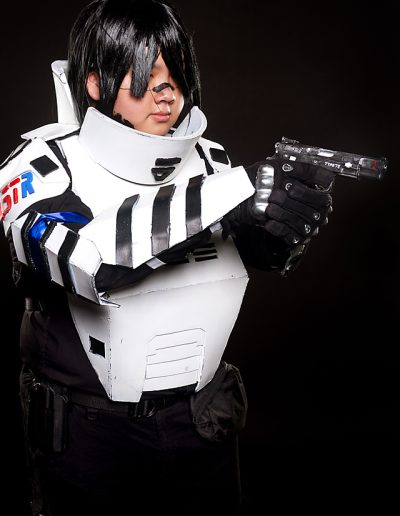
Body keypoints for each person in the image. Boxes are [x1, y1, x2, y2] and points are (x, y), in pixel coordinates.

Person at [0, 1, 336, 514]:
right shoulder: (40, 165)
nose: (166, 89)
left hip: (202, 421)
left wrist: (281, 224)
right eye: (144, 72)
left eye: (175, 70)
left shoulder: (210, 160)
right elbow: (83, 260)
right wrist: (236, 192)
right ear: (95, 83)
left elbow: (242, 258)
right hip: (91, 433)